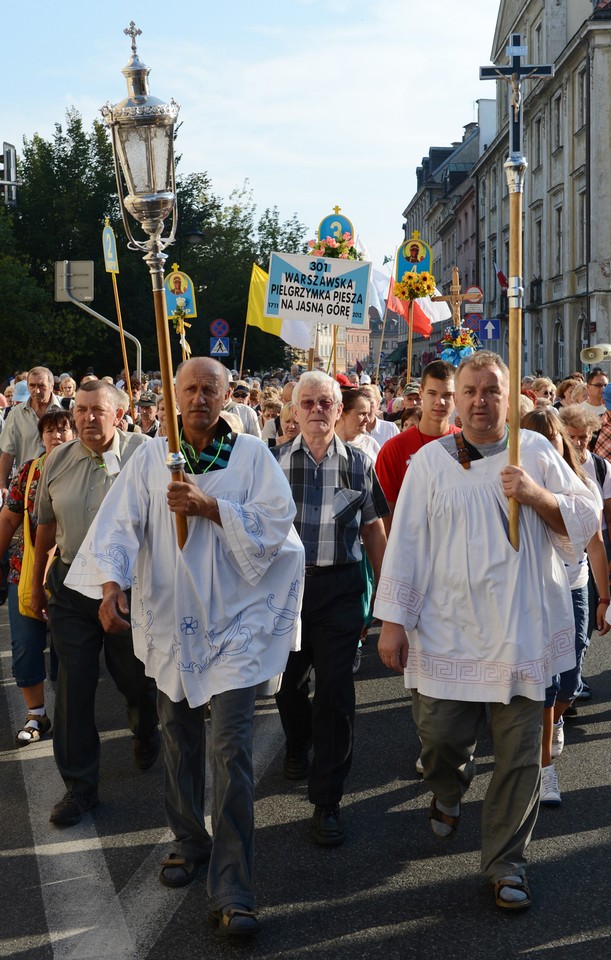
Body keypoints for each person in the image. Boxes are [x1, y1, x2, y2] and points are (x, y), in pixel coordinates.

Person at [65, 357, 304, 939]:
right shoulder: (151, 456)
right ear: (174, 394)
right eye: (189, 389)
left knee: (232, 751)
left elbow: (279, 523)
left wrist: (211, 508)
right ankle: (188, 839)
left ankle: (234, 889)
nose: (199, 398)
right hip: (173, 619)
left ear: (227, 397)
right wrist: (112, 586)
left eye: (209, 390)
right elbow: (118, 525)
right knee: (177, 735)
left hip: (237, 622)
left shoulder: (250, 456)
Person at [375, 351, 600, 911]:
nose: (480, 401)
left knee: (520, 755)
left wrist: (537, 496)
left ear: (508, 399)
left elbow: (587, 515)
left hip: (521, 629)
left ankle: (506, 863)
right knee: (441, 739)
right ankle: (447, 791)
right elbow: (404, 543)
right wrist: (392, 622)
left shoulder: (538, 453)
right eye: (470, 391)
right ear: (457, 397)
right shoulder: (429, 463)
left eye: (491, 391)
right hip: (447, 628)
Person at [30, 380, 159, 827]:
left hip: (128, 588)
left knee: (136, 680)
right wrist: (33, 584)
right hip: (70, 587)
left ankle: (146, 730)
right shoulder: (58, 459)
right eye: (80, 410)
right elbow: (45, 528)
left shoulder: (145, 452)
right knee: (73, 686)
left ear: (118, 414)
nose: (86, 418)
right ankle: (80, 788)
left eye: (97, 410)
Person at [272, 371, 388, 846]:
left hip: (340, 589)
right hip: (286, 592)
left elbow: (373, 531)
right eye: (308, 402)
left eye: (326, 402)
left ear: (339, 410)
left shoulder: (360, 464)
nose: (318, 409)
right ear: (294, 411)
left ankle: (327, 800)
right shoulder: (273, 463)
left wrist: (385, 594)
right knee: (288, 686)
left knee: (337, 693)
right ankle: (298, 741)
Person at [521, 407, 609, 805]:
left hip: (573, 587)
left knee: (570, 684)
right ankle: (544, 769)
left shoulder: (582, 483)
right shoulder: (512, 484)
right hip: (530, 590)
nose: (545, 447)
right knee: (544, 682)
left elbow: (594, 542)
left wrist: (604, 597)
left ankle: (552, 721)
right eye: (533, 439)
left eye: (550, 438)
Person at [0, 409, 76, 743]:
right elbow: (7, 521)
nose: (56, 436)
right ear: (41, 437)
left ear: (73, 434)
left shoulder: (88, 469)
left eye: (63, 429)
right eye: (50, 431)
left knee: (69, 653)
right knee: (25, 649)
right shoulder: (28, 473)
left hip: (71, 574)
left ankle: (73, 716)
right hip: (25, 569)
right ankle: (37, 716)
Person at [375, 360, 458, 529]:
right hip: (411, 549)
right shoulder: (394, 449)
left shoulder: (466, 443)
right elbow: (384, 516)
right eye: (432, 393)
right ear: (421, 393)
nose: (439, 401)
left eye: (447, 395)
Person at [0, 367, 61, 497]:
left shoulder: (68, 408)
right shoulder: (15, 414)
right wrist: (2, 485)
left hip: (61, 482)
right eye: (32, 385)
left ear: (51, 386)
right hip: (26, 486)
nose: (36, 390)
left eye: (41, 386)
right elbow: (8, 453)